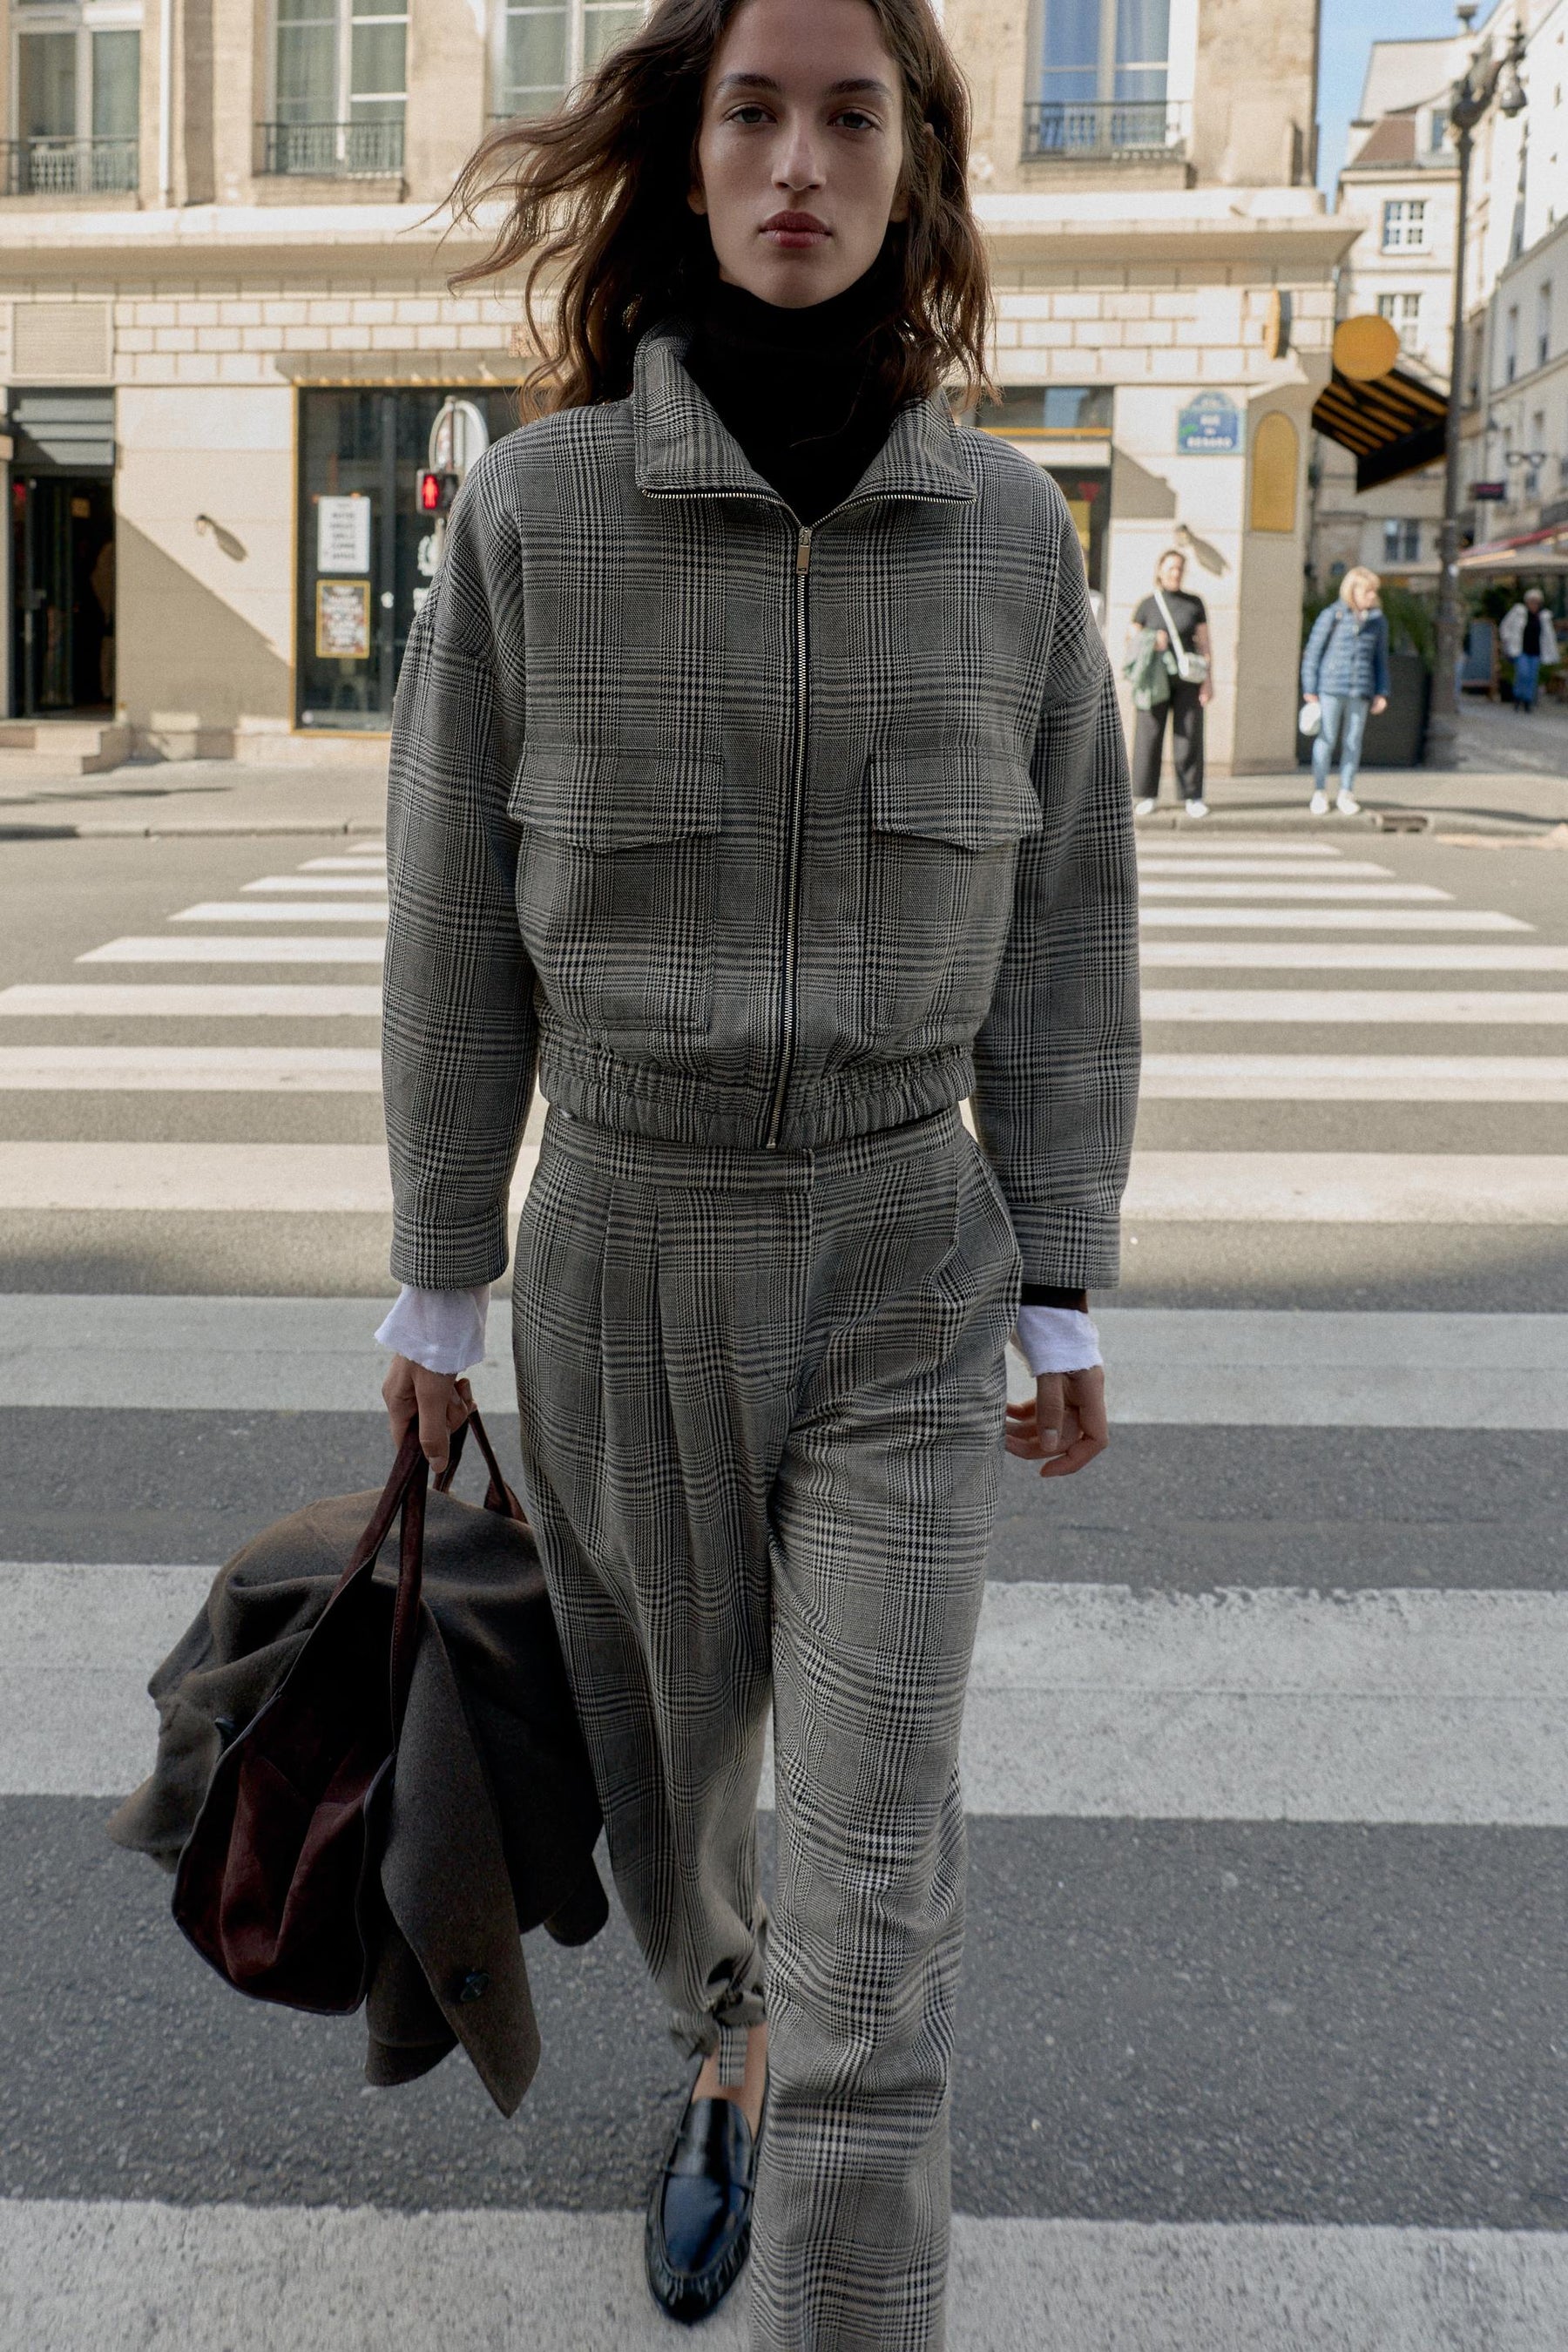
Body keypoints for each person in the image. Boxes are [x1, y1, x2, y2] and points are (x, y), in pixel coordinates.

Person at [374, 0, 1139, 2342]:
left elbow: (1071, 913)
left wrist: (1068, 1273)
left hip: (912, 1253)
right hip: (624, 1243)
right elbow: (448, 925)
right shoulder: (535, 517)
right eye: (754, 114)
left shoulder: (1010, 535)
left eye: (853, 116)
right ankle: (727, 2032)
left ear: (913, 169)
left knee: (878, 1865)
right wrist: (434, 1287)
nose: (800, 160)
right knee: (677, 1770)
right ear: (685, 160)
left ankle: (840, 2246)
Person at [1128, 548, 1213, 819]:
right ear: (1160, 571)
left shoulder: (1194, 603)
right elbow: (1130, 640)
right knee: (1148, 736)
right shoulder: (1147, 604)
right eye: (1170, 568)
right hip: (1154, 680)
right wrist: (1151, 641)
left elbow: (1205, 643)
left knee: (1189, 736)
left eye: (1179, 568)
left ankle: (1192, 796)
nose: (1175, 573)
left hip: (1188, 679)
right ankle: (1147, 795)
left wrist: (1208, 680)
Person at [1300, 564, 1390, 816]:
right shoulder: (1333, 615)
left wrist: (1382, 692)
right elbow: (1313, 653)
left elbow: (1380, 660)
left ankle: (1346, 792)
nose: (1372, 596)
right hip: (1330, 687)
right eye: (1368, 591)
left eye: (1374, 591)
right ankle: (1319, 791)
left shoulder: (1378, 621)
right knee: (1326, 739)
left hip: (1360, 689)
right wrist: (1310, 689)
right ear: (1353, 591)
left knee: (1353, 742)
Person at [1499, 588, 1560, 711]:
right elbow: (1505, 626)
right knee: (1523, 673)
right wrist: (1507, 640)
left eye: (1536, 602)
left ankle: (1527, 701)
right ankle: (1518, 696)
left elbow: (1549, 636)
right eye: (1532, 601)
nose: (1534, 604)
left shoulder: (1543, 617)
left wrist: (1552, 651)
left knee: (1532, 677)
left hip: (1536, 651)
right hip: (1521, 650)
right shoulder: (1519, 612)